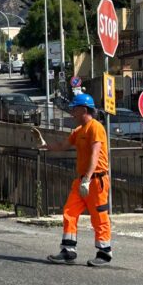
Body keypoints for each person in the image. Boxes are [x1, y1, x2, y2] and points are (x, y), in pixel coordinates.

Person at [39, 93, 113, 267]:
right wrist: (45, 145)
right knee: (69, 212)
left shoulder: (95, 127)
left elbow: (96, 153)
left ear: (84, 109)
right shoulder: (79, 131)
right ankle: (68, 251)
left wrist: (87, 178)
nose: (72, 113)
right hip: (83, 180)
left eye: (75, 109)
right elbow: (63, 146)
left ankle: (104, 252)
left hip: (96, 180)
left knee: (99, 216)